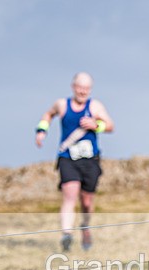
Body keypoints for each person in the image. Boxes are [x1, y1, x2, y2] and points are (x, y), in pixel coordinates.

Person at [35, 72, 114, 251]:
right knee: (69, 196)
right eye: (80, 87)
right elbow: (48, 115)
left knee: (86, 202)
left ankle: (85, 228)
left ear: (90, 89)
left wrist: (97, 126)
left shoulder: (95, 106)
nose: (82, 91)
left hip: (90, 161)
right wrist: (41, 130)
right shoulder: (62, 104)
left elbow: (110, 126)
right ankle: (67, 234)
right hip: (67, 158)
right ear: (73, 87)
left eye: (86, 88)